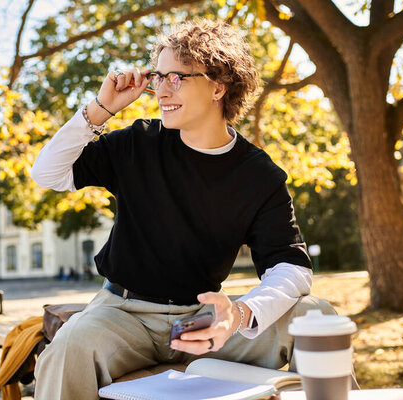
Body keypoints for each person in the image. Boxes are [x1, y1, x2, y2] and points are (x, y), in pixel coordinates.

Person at [31, 19, 339, 399]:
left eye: (175, 77)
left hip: (203, 323)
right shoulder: (138, 143)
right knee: (68, 349)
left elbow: (291, 267)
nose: (160, 90)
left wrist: (238, 315)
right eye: (157, 77)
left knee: (317, 316)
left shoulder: (259, 175)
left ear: (218, 86)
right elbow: (47, 174)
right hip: (120, 316)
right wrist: (100, 109)